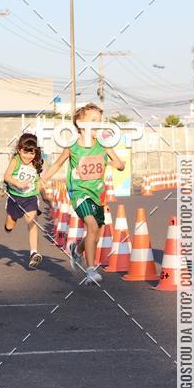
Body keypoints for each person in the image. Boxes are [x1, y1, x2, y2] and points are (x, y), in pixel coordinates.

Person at [41, 103, 125, 284]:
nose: (97, 124)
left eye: (99, 121)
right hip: (79, 193)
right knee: (92, 227)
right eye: (93, 120)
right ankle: (90, 271)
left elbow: (120, 164)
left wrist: (114, 164)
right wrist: (43, 179)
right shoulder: (72, 146)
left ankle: (77, 250)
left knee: (95, 233)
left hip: (98, 194)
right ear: (80, 123)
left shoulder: (104, 144)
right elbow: (56, 164)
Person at [3, 132, 44, 268]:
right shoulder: (16, 160)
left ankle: (33, 253)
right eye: (25, 152)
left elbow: (39, 183)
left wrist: (46, 197)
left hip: (30, 198)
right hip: (15, 196)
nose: (28, 156)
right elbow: (7, 176)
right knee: (10, 225)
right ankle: (9, 222)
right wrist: (18, 183)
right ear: (19, 150)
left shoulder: (37, 163)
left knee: (32, 222)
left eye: (32, 153)